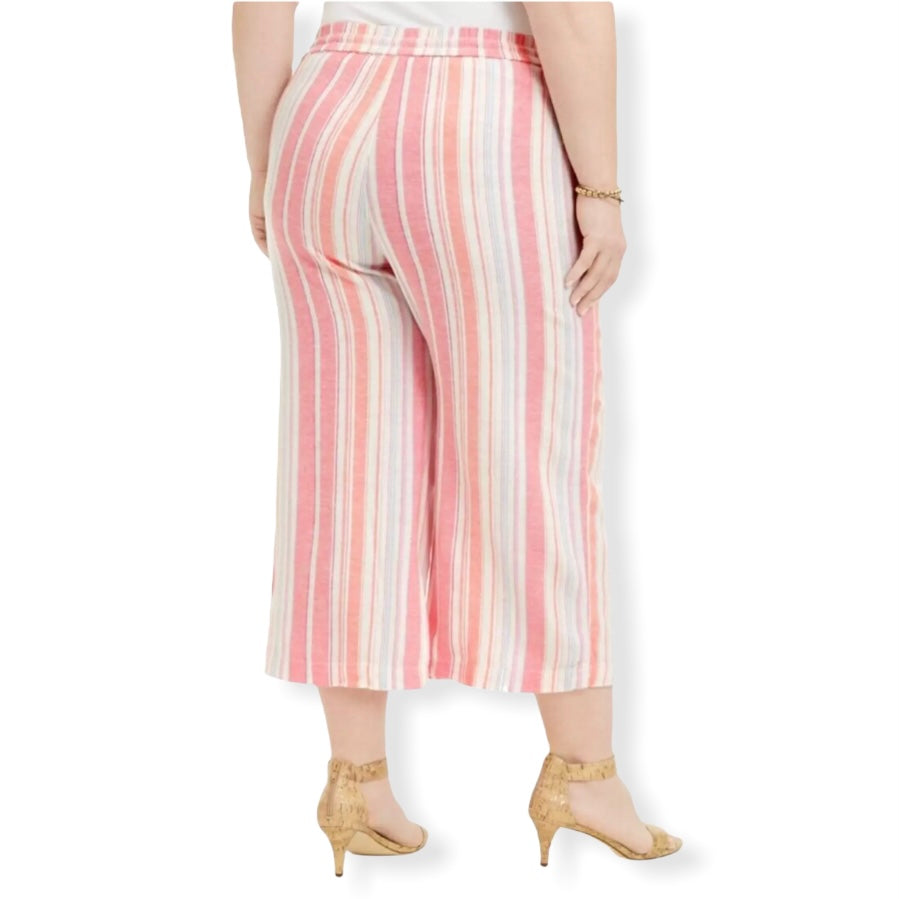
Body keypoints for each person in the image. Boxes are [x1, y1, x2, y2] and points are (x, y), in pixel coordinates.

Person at [232, 0, 681, 875]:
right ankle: (583, 774)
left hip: (322, 113)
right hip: (474, 115)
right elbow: (567, 13)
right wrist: (600, 191)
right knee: (528, 450)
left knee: (346, 460)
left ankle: (356, 781)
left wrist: (263, 161)